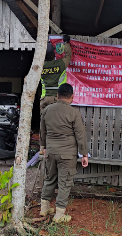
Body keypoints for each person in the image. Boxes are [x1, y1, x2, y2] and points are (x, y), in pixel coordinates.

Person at [39, 83, 88, 223]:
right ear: (72, 97)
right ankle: (59, 214)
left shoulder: (47, 110)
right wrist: (84, 154)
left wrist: (43, 147)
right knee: (64, 183)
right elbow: (80, 134)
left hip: (51, 152)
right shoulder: (74, 113)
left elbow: (43, 132)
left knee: (49, 179)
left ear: (57, 96)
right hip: (67, 154)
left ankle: (44, 208)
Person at [40, 34, 72, 114]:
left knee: (44, 121)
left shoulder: (39, 66)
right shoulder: (60, 64)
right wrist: (66, 42)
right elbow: (68, 55)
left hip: (45, 99)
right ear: (53, 55)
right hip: (57, 98)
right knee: (57, 121)